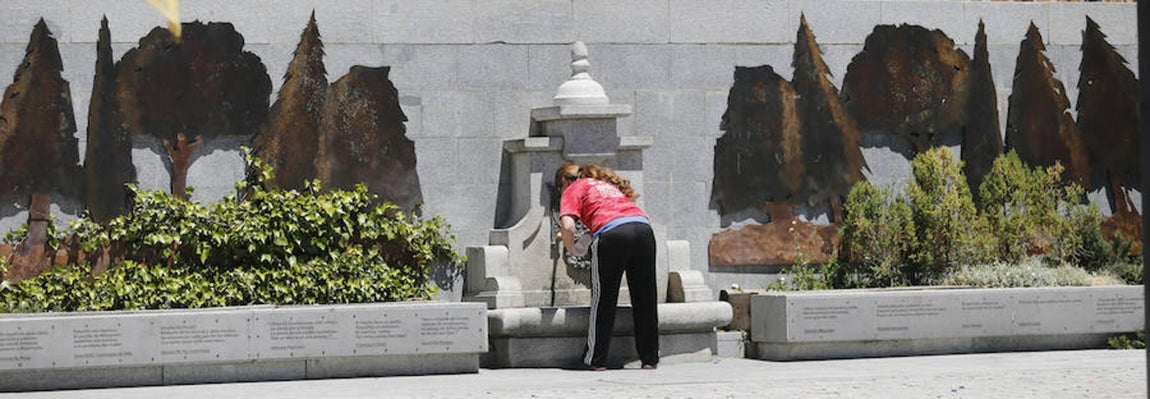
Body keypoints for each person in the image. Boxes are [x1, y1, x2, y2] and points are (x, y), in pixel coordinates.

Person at [554, 162, 659, 371]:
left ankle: (596, 358)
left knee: (604, 298)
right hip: (643, 229)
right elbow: (614, 215)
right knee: (645, 296)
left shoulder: (574, 187)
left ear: (565, 181)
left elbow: (567, 225)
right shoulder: (607, 186)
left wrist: (572, 247)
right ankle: (649, 358)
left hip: (613, 235)